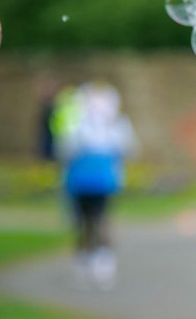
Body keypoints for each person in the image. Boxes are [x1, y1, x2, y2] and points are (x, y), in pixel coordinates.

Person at [56, 81, 137, 290]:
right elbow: (66, 149)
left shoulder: (114, 124)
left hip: (98, 181)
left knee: (98, 220)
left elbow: (127, 149)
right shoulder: (78, 123)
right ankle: (90, 261)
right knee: (86, 221)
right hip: (85, 181)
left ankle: (99, 262)